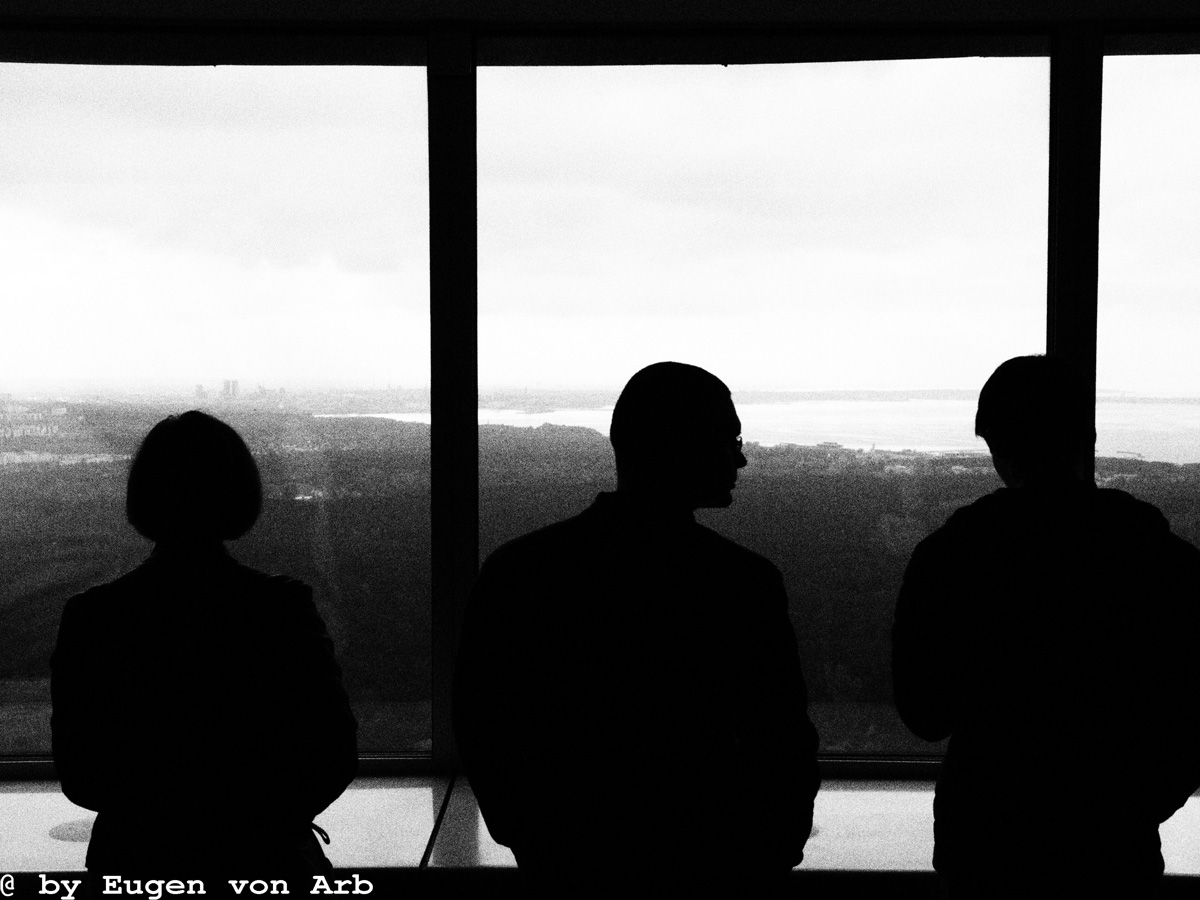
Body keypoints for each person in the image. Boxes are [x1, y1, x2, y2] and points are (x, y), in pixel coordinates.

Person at [454, 361, 820, 898]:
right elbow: (781, 737)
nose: (741, 456)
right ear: (680, 444)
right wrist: (772, 851)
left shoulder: (521, 570)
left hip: (565, 863)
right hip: (709, 864)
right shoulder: (740, 582)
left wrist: (528, 836)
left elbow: (483, 718)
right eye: (730, 438)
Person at [892, 355, 1200, 898]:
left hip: (985, 837)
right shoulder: (1162, 560)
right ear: (1089, 434)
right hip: (1111, 844)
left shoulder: (950, 558)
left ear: (994, 442)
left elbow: (924, 713)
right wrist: (1133, 804)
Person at [51, 411, 357, 893]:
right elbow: (332, 752)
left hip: (136, 863)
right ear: (239, 495)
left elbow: (81, 773)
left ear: (145, 497)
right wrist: (263, 817)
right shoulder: (281, 609)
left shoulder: (95, 615)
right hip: (267, 860)